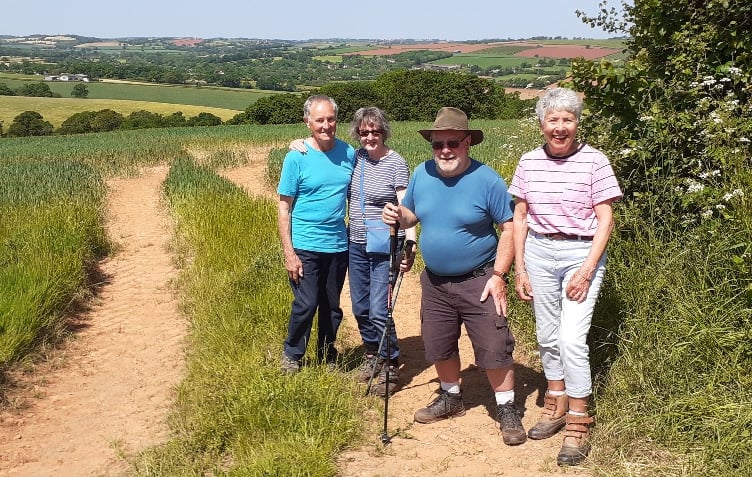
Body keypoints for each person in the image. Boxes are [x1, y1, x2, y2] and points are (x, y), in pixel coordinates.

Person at [382, 107, 527, 446]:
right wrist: (396, 214)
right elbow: (411, 214)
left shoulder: (486, 179)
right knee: (438, 342)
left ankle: (506, 408)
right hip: (434, 281)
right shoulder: (422, 174)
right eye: (438, 144)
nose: (444, 150)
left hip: (479, 279)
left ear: (467, 143)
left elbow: (508, 226)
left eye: (452, 143)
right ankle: (451, 396)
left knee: (494, 344)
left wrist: (498, 274)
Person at [508, 87, 622, 465]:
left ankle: (578, 419)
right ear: (542, 124)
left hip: (580, 253)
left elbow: (606, 218)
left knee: (572, 338)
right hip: (539, 251)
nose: (560, 127)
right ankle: (554, 401)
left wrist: (588, 269)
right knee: (546, 332)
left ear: (577, 123)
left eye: (567, 120)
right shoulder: (527, 162)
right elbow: (520, 217)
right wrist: (519, 268)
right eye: (553, 120)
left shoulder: (595, 161)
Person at [290, 107, 417, 396]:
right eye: (364, 132)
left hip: (385, 245)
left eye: (375, 131)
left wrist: (410, 244)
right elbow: (323, 148)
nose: (370, 136)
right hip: (356, 244)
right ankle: (371, 355)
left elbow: (407, 208)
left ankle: (390, 363)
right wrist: (295, 143)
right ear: (357, 134)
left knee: (378, 308)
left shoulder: (396, 163)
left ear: (384, 131)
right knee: (359, 307)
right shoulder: (355, 157)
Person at [277, 95, 355, 374]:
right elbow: (284, 208)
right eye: (319, 120)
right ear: (307, 122)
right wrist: (289, 252)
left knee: (331, 306)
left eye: (331, 119)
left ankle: (327, 352)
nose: (326, 125)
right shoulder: (296, 157)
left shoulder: (349, 154)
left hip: (337, 244)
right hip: (305, 244)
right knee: (307, 303)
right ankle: (292, 353)